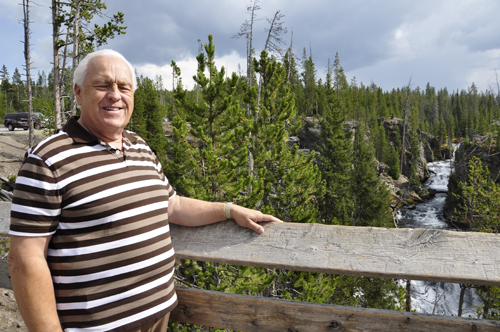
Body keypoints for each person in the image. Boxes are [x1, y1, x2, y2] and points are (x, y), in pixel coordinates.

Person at [7, 49, 281, 332]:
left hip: (158, 317)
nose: (115, 95)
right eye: (102, 85)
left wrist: (228, 210)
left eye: (124, 87)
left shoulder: (139, 146)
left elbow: (171, 204)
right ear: (78, 93)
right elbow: (25, 259)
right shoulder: (48, 159)